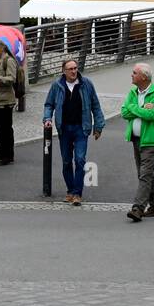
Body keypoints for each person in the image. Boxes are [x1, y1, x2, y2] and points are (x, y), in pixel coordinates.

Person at [42, 58, 107, 206]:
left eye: (75, 68)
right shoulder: (57, 85)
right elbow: (49, 104)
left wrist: (98, 126)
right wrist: (47, 118)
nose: (74, 71)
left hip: (81, 128)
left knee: (79, 159)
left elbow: (95, 106)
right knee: (66, 161)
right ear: (63, 71)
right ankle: (70, 190)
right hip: (64, 128)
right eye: (70, 69)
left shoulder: (86, 84)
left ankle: (77, 193)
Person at [122, 62, 154, 222]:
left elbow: (151, 115)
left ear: (144, 77)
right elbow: (124, 112)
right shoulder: (133, 92)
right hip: (136, 139)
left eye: (134, 73)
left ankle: (138, 208)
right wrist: (140, 108)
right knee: (146, 174)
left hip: (151, 140)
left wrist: (133, 108)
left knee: (145, 174)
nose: (131, 75)